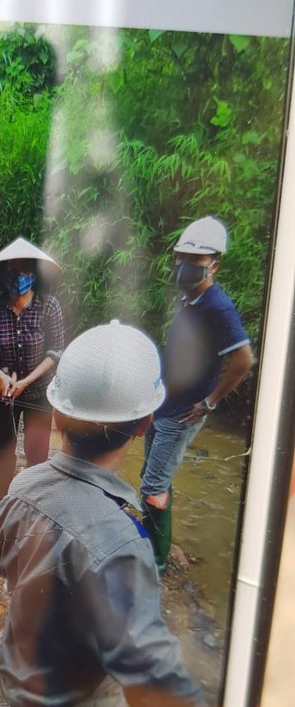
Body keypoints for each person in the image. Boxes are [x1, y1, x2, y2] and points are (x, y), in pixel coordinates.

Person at [0, 320, 217, 707]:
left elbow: (4, 561)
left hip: (22, 678)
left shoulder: (21, 489)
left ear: (56, 412)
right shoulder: (117, 540)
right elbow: (145, 668)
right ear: (144, 425)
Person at [141, 215, 254, 573]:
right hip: (164, 404)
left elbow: (243, 358)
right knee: (153, 478)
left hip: (182, 413)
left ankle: (155, 563)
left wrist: (210, 401)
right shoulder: (188, 298)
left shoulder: (217, 305)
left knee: (153, 486)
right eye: (182, 260)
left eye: (196, 263)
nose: (186, 267)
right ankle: (153, 547)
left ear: (214, 265)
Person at [0, 237, 65, 511]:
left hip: (39, 392)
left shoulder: (49, 307)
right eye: (12, 271)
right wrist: (0, 377)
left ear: (34, 275)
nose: (18, 277)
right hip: (3, 392)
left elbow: (55, 352)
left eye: (24, 271)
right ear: (4, 275)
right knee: (4, 445)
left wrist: (27, 380)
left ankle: (33, 499)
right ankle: (1, 495)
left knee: (36, 450)